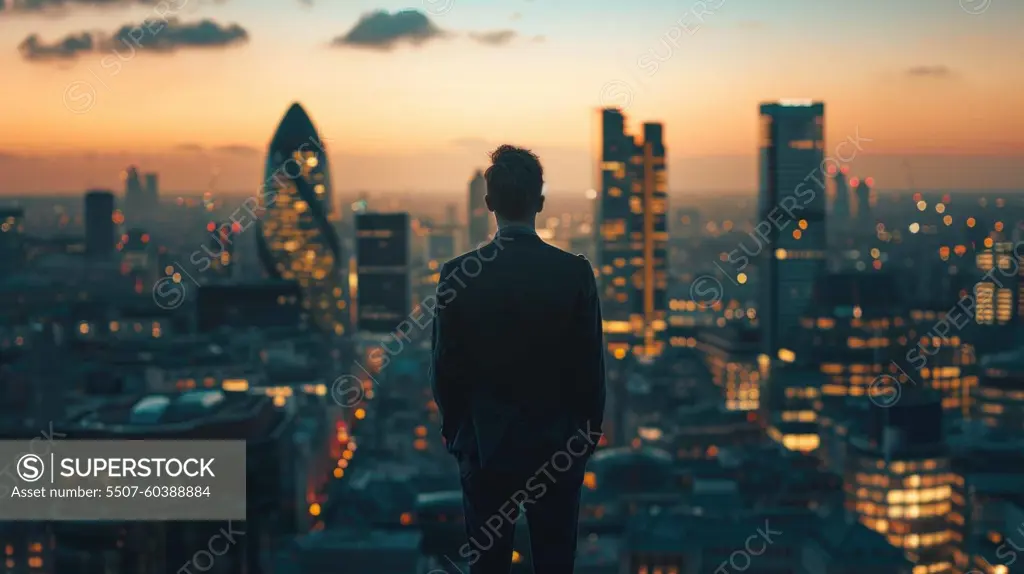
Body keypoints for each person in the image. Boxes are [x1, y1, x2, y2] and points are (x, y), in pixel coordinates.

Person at [430, 145, 606, 574]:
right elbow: (591, 372)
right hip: (558, 448)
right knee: (554, 562)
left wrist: (460, 436)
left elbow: (445, 370)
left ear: (489, 204)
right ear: (540, 202)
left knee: (487, 565)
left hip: (486, 446)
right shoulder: (574, 273)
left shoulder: (458, 275)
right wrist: (583, 441)